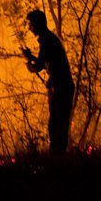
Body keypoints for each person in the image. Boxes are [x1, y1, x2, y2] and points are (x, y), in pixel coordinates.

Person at [22, 10, 75, 155]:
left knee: (56, 127)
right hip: (63, 86)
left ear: (38, 24)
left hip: (60, 87)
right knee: (60, 126)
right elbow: (46, 62)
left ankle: (57, 161)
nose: (29, 28)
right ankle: (60, 159)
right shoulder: (49, 39)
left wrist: (31, 66)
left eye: (31, 24)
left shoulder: (46, 40)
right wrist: (32, 57)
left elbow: (39, 65)